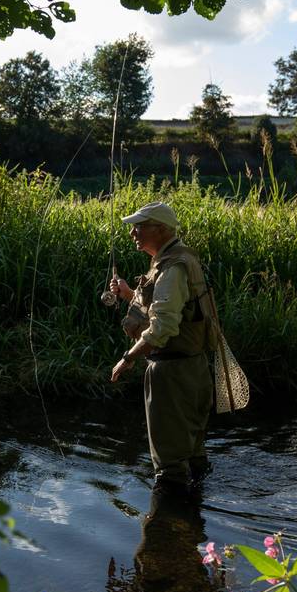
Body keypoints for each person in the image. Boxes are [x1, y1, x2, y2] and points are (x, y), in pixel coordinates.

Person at [109, 201, 214, 495]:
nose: (133, 232)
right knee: (192, 454)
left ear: (162, 229)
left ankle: (169, 528)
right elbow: (167, 310)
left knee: (169, 467)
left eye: (139, 226)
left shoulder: (172, 268)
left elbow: (163, 327)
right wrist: (130, 294)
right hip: (192, 368)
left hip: (172, 373)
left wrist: (128, 357)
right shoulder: (177, 260)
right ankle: (194, 529)